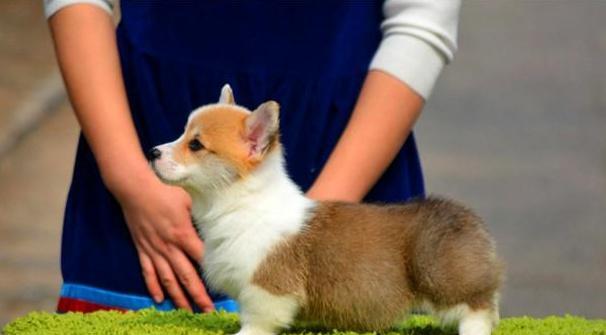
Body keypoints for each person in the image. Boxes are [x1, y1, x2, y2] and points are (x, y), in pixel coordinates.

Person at [45, 0, 461, 313]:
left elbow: (422, 19)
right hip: (139, 189)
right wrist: (128, 174)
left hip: (345, 171)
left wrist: (320, 223)